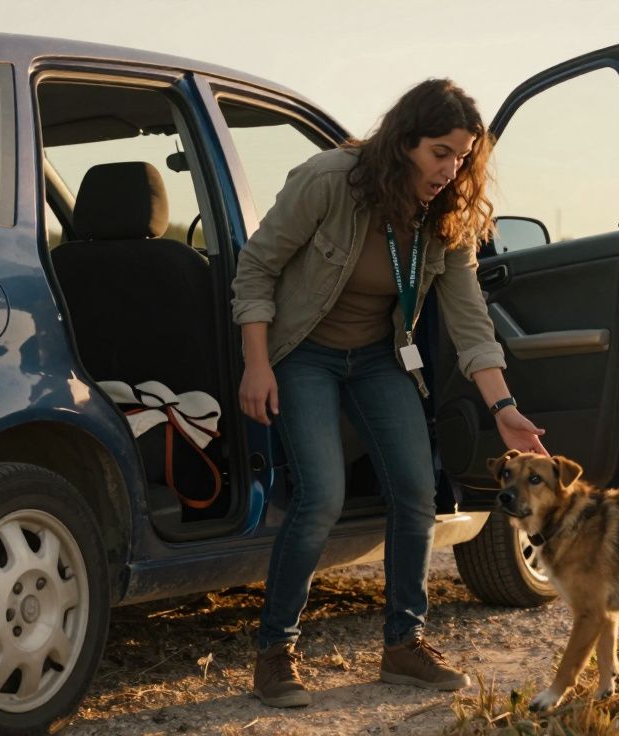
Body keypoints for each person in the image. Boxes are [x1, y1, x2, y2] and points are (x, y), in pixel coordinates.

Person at [231, 78, 547, 708]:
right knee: (321, 495)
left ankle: (404, 645)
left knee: (417, 491)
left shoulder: (447, 215)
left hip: (378, 357)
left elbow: (468, 321)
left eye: (462, 156)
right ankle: (274, 653)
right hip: (304, 353)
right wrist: (256, 365)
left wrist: (504, 409)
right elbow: (256, 267)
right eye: (439, 153)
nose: (451, 169)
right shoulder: (328, 181)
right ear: (404, 143)